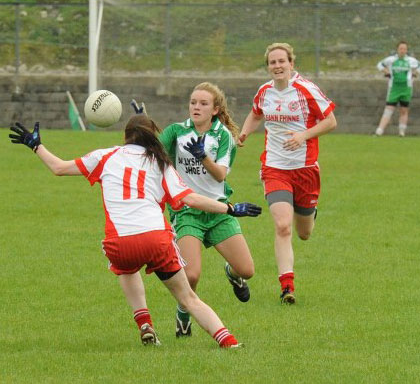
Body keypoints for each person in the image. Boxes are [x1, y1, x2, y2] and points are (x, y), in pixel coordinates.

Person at [8, 116, 261, 348]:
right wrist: (229, 208)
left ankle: (145, 324)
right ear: (153, 137)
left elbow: (59, 168)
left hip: (119, 242)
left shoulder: (105, 155)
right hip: (156, 239)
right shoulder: (161, 164)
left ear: (125, 136)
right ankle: (228, 341)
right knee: (188, 298)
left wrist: (36, 145)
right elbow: (192, 199)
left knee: (125, 267)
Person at [238, 42, 337, 304]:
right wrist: (244, 133)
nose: (277, 66)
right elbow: (256, 114)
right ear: (268, 66)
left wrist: (303, 135)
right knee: (283, 226)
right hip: (275, 167)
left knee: (304, 233)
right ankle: (287, 287)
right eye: (273, 62)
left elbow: (330, 121)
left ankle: (309, 212)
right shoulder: (265, 92)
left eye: (282, 61)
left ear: (291, 64)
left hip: (305, 169)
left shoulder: (305, 89)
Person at [157, 82, 256, 338]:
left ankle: (232, 274)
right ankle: (183, 311)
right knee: (191, 275)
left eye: (203, 103)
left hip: (219, 210)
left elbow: (219, 174)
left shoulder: (223, 137)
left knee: (247, 270)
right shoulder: (177, 132)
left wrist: (203, 157)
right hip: (187, 211)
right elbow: (152, 151)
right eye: (193, 102)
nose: (196, 107)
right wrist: (143, 127)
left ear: (215, 109)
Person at [375, 41, 420, 137]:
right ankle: (379, 131)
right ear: (397, 49)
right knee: (389, 109)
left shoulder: (411, 60)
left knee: (404, 110)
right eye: (401, 48)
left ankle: (402, 132)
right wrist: (386, 71)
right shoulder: (391, 60)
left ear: (407, 50)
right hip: (394, 88)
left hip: (406, 88)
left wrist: (415, 73)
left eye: (404, 49)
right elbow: (379, 65)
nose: (403, 50)